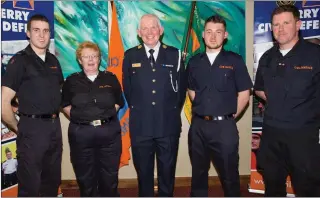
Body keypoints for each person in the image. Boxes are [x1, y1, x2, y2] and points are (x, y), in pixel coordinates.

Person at [253, 5, 320, 197]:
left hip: (303, 142)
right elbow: (259, 89)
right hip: (271, 141)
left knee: (308, 191)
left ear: (298, 25)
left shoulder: (319, 55)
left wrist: (313, 110)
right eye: (276, 24)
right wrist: (280, 104)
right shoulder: (267, 58)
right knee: (273, 191)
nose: (281, 28)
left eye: (286, 23)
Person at [187, 15, 252, 197]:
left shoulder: (235, 61)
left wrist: (227, 117)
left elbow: (245, 95)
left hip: (225, 127)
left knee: (229, 174)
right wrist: (204, 111)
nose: (213, 36)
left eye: (218, 32)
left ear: (225, 35)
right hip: (198, 126)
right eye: (209, 32)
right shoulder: (194, 62)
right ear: (203, 35)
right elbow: (192, 92)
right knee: (198, 173)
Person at [122, 14, 187, 196]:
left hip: (168, 125)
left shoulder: (174, 54)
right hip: (141, 126)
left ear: (161, 30)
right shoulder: (130, 55)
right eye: (145, 28)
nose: (149, 32)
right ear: (138, 32)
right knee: (143, 173)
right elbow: (128, 90)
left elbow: (180, 90)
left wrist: (170, 112)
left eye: (153, 28)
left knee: (167, 171)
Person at [1, 14, 63, 196]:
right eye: (36, 30)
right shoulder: (19, 61)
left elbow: (56, 92)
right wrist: (19, 128)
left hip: (54, 128)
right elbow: (4, 102)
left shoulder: (53, 60)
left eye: (45, 31)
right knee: (30, 186)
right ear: (28, 33)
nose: (42, 35)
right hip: (32, 129)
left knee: (52, 182)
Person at [62, 41, 124, 197]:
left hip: (109, 134)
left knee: (109, 177)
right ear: (79, 60)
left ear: (99, 58)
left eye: (94, 56)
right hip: (81, 135)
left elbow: (118, 102)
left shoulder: (110, 78)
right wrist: (83, 120)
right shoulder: (71, 81)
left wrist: (104, 118)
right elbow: (65, 105)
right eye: (86, 57)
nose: (90, 60)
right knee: (85, 178)